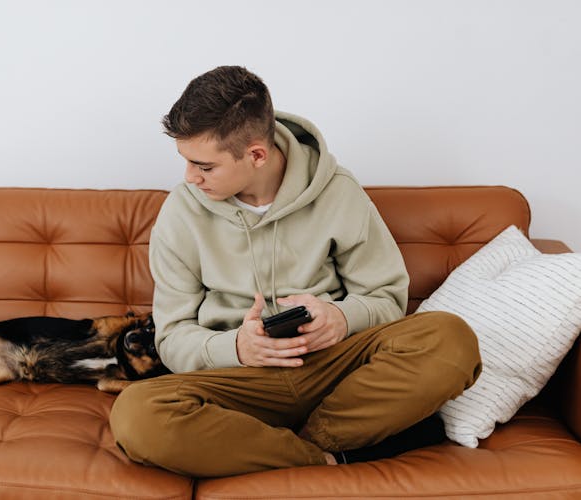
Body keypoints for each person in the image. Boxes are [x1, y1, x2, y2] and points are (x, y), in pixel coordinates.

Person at [109, 66, 481, 477]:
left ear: (256, 154)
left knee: (450, 338)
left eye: (205, 166)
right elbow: (173, 337)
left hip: (335, 369)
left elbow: (387, 298)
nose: (189, 177)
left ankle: (283, 441)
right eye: (186, 161)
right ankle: (324, 456)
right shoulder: (181, 212)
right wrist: (236, 348)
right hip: (238, 379)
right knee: (136, 415)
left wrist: (340, 318)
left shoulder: (338, 190)